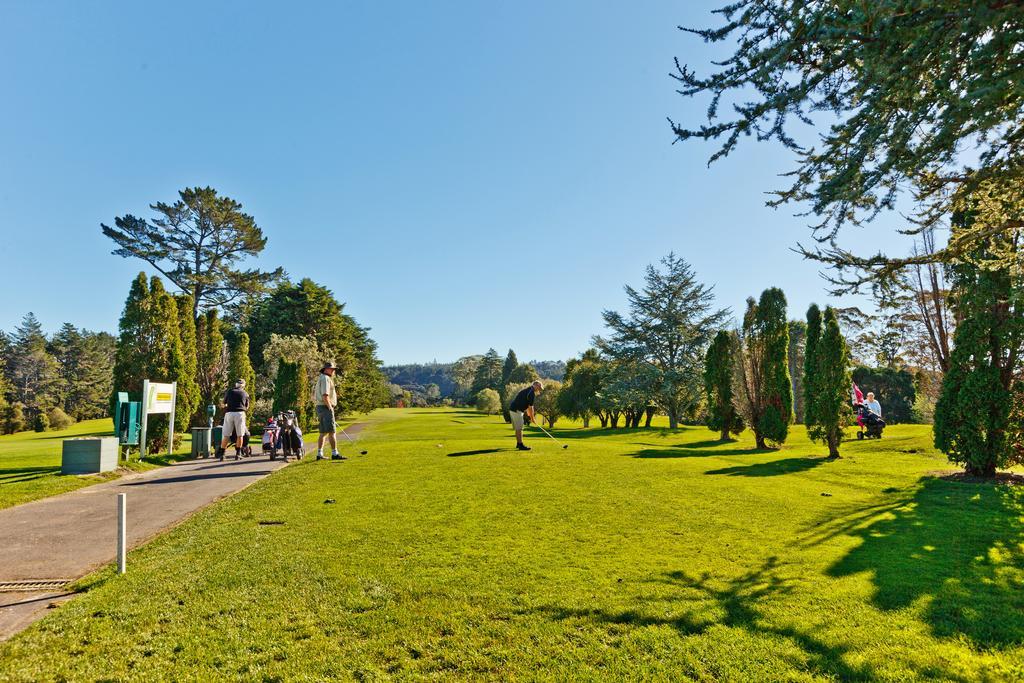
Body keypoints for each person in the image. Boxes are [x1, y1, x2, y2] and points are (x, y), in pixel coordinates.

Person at [312, 361, 343, 461]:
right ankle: (335, 453)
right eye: (332, 369)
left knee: (323, 432)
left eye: (334, 369)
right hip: (325, 407)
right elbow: (325, 395)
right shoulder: (325, 378)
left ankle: (319, 454)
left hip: (321, 407)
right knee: (332, 432)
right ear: (326, 369)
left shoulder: (323, 378)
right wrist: (330, 408)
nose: (334, 371)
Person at [217, 379, 249, 460]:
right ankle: (238, 454)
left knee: (226, 435)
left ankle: (222, 454)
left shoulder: (230, 391)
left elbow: (224, 403)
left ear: (236, 384)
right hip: (240, 413)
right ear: (243, 385)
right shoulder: (245, 394)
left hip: (229, 413)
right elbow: (247, 407)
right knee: (240, 435)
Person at [508, 380, 543, 451]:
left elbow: (527, 405)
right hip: (516, 410)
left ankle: (518, 443)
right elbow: (531, 407)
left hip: (514, 409)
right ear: (535, 385)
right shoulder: (531, 393)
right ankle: (521, 445)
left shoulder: (528, 390)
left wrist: (530, 416)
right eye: (539, 387)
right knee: (519, 428)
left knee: (518, 428)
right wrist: (532, 418)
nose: (539, 389)